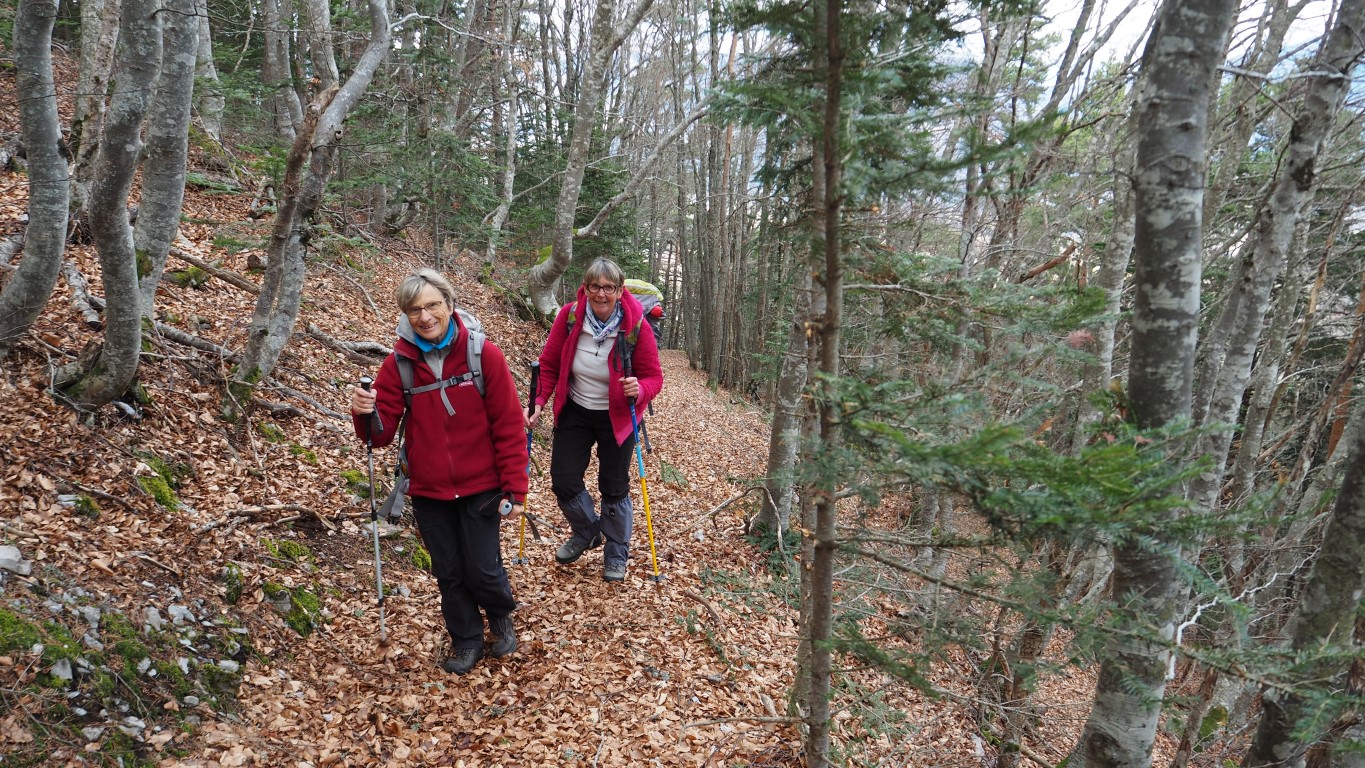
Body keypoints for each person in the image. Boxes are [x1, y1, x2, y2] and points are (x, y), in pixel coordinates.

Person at [349, 268, 527, 675]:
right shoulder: (399, 364)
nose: (425, 316)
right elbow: (379, 435)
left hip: (483, 485)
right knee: (448, 570)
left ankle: (500, 614)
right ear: (405, 314)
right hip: (429, 489)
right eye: (415, 309)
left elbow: (508, 425)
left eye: (432, 305)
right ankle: (466, 640)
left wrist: (515, 490)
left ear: (449, 304)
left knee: (483, 567)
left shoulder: (483, 354)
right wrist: (364, 412)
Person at [527, 258, 663, 582]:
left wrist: (640, 389)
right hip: (575, 409)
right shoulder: (570, 317)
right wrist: (538, 402)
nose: (601, 294)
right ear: (585, 288)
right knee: (563, 480)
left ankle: (616, 553)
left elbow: (654, 377)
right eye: (595, 287)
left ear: (620, 290)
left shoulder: (635, 326)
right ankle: (588, 530)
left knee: (614, 486)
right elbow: (549, 364)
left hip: (618, 416)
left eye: (608, 288)